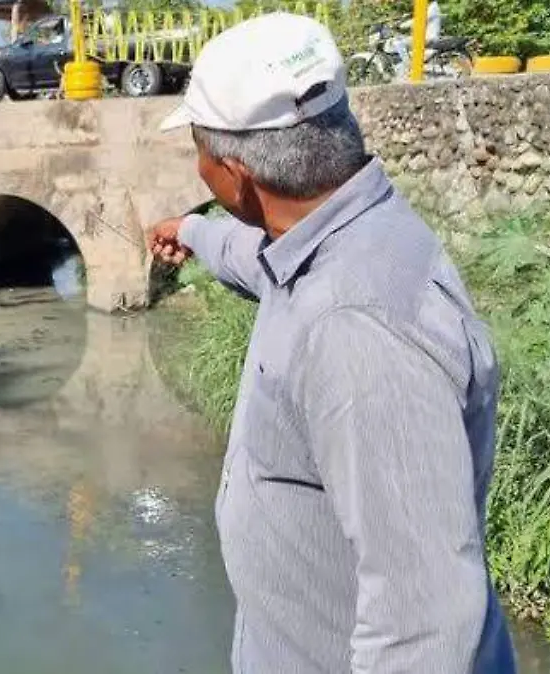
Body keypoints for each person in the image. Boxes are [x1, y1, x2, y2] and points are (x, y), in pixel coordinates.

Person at [147, 12, 517, 673]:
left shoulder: (356, 330)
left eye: (198, 152)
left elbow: (424, 626)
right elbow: (260, 259)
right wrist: (194, 232)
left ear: (233, 175)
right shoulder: (339, 241)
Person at [388, 1, 442, 78]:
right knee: (399, 38)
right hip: (425, 37)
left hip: (428, 38)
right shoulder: (430, 7)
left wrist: (400, 26)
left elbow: (418, 20)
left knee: (399, 43)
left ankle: (410, 67)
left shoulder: (433, 8)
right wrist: (402, 19)